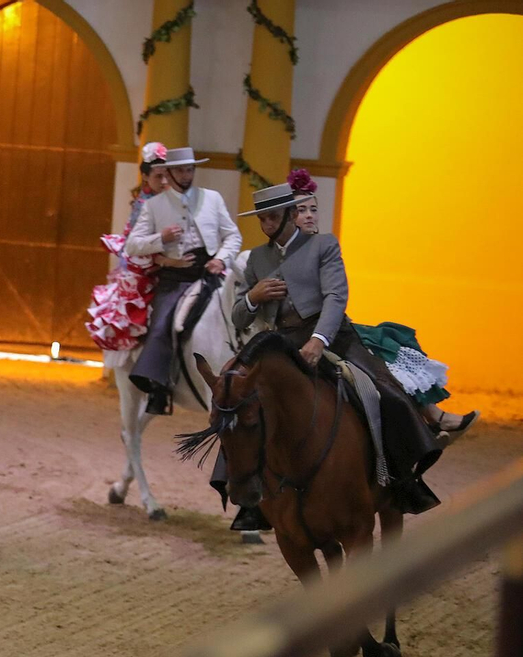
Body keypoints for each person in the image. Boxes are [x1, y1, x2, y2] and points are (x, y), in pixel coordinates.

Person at [231, 180, 443, 519]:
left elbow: (336, 297)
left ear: (289, 215)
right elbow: (238, 316)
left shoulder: (323, 245)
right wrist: (253, 298)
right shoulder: (256, 257)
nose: (267, 225)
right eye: (263, 220)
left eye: (273, 218)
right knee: (234, 400)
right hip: (280, 341)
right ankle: (246, 494)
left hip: (333, 335)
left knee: (387, 393)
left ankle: (404, 478)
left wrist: (319, 340)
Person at [286, 169, 477, 446]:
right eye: (301, 210)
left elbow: (336, 296)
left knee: (392, 347)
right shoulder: (275, 254)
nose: (310, 215)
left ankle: (431, 420)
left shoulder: (324, 246)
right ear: (287, 217)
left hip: (332, 329)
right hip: (299, 333)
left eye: (313, 209)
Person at [125, 147, 241, 414]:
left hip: (209, 272)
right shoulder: (154, 206)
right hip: (176, 278)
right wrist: (161, 239)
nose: (186, 175)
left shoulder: (212, 198)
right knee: (163, 323)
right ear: (169, 172)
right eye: (180, 170)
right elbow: (133, 245)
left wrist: (221, 259)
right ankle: (159, 386)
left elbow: (232, 235)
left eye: (190, 169)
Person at [87, 142, 170, 353]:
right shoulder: (143, 204)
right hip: (145, 267)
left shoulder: (170, 200)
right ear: (146, 177)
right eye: (158, 176)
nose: (164, 181)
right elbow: (134, 244)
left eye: (166, 175)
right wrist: (161, 248)